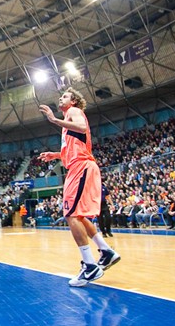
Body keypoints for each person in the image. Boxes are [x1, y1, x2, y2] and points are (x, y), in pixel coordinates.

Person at [38, 88, 120, 287]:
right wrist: (55, 155)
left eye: (65, 96)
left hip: (81, 167)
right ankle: (106, 251)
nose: (61, 98)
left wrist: (53, 120)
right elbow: (74, 148)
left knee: (71, 215)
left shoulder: (73, 113)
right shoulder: (68, 124)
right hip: (79, 166)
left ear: (73, 101)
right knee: (78, 215)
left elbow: (82, 127)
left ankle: (90, 266)